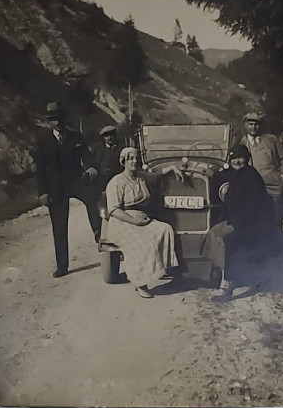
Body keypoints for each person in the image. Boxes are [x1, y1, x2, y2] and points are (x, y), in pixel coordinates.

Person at [105, 147, 182, 298]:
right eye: (130, 158)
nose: (134, 161)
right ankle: (140, 283)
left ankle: (158, 270)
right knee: (142, 243)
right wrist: (134, 221)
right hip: (122, 221)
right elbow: (113, 210)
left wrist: (172, 167)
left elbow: (156, 175)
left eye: (136, 158)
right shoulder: (116, 182)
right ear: (123, 161)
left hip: (141, 217)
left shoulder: (141, 178)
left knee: (165, 229)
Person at [35, 101, 101, 278]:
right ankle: (62, 266)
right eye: (53, 119)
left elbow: (86, 154)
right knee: (59, 227)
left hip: (76, 181)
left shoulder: (75, 136)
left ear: (64, 118)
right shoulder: (43, 142)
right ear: (50, 122)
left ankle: (98, 231)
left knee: (92, 194)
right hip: (55, 188)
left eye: (59, 118)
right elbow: (39, 170)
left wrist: (91, 167)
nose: (57, 122)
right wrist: (42, 192)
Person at [202, 144, 275, 293]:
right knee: (213, 232)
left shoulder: (251, 176)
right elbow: (226, 187)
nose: (237, 161)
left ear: (247, 158)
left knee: (225, 238)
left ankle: (228, 281)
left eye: (240, 157)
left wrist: (235, 224)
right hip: (239, 219)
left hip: (251, 223)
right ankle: (220, 271)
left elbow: (253, 207)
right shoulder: (238, 175)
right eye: (233, 158)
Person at [240, 110, 283, 230]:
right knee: (256, 215)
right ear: (245, 125)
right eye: (250, 124)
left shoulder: (272, 140)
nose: (253, 127)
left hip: (274, 184)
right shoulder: (242, 143)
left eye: (256, 124)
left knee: (276, 216)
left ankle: (276, 244)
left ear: (261, 125)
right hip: (253, 185)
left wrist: (281, 176)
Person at [91, 125, 124, 195]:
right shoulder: (97, 148)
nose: (109, 138)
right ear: (103, 137)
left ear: (115, 135)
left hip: (117, 179)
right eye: (106, 136)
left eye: (111, 135)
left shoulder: (121, 148)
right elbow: (91, 161)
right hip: (100, 180)